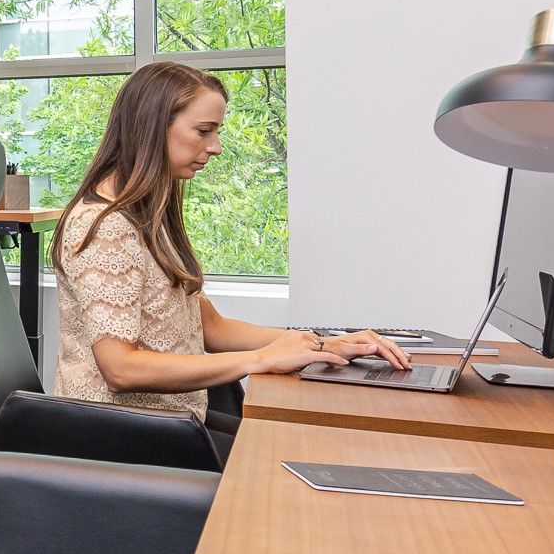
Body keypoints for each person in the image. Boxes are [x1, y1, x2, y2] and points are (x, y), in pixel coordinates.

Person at [52, 60, 407, 416]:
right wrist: (261, 359)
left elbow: (212, 328)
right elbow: (121, 369)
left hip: (176, 420)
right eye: (204, 131)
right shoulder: (103, 226)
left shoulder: (150, 218)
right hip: (117, 434)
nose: (216, 146)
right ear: (152, 128)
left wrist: (322, 344)